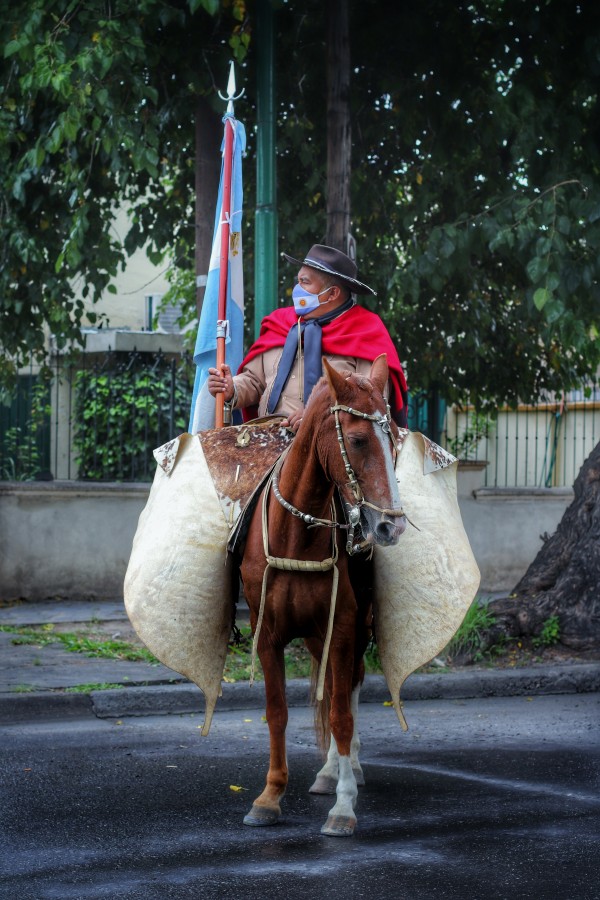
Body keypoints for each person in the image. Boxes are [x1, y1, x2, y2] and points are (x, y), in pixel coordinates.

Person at [207, 244, 408, 432]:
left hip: (328, 453)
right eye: (298, 281)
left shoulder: (366, 332)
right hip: (265, 444)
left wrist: (318, 416)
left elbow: (370, 403)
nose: (297, 288)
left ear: (332, 294)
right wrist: (232, 388)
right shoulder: (279, 323)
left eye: (305, 282)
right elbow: (254, 381)